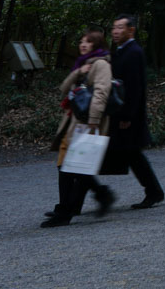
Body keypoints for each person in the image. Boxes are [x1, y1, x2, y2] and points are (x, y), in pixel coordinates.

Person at [41, 27, 116, 227]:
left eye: (88, 42)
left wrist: (93, 120)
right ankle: (100, 196)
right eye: (82, 41)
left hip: (88, 123)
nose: (83, 45)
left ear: (97, 45)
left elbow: (101, 92)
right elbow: (64, 89)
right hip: (74, 121)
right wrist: (77, 72)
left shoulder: (101, 64)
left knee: (71, 166)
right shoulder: (83, 64)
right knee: (71, 166)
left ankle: (65, 211)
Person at [108, 14, 164, 209]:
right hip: (122, 113)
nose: (115, 32)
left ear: (131, 30)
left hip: (128, 115)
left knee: (133, 155)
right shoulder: (123, 51)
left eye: (120, 28)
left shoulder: (133, 52)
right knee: (132, 155)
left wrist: (127, 115)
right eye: (114, 28)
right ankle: (154, 191)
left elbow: (134, 88)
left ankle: (154, 192)